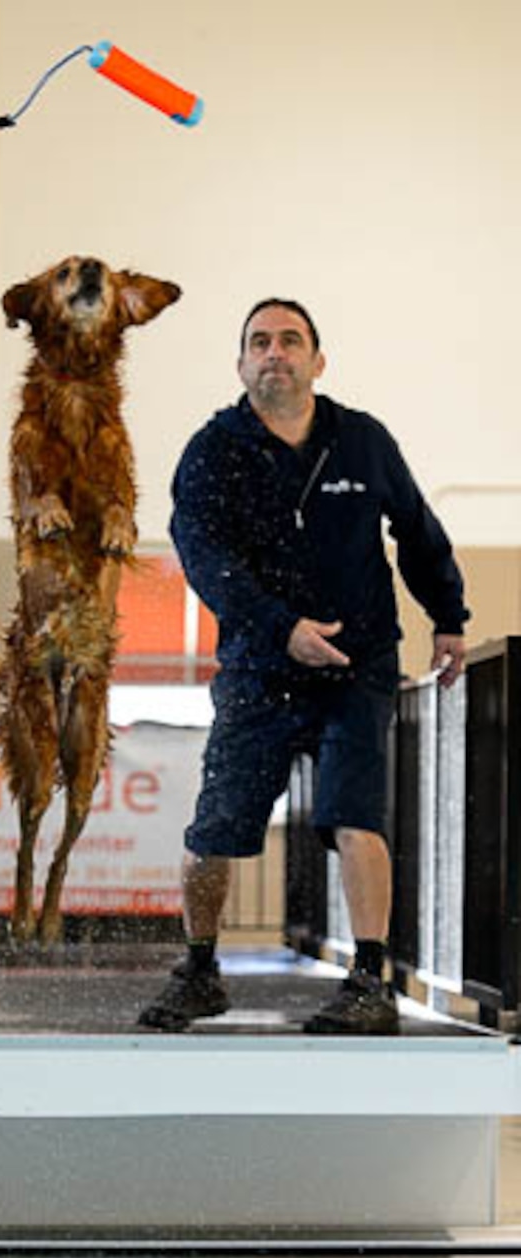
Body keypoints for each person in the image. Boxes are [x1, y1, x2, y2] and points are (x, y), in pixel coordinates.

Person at [137, 298, 468, 1034]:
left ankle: (369, 983)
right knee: (214, 828)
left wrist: (448, 616)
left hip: (357, 664)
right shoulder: (213, 451)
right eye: (259, 342)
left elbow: (417, 530)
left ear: (318, 361)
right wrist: (280, 629)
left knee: (356, 816)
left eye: (290, 341)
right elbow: (205, 560)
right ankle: (199, 971)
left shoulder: (362, 441)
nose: (274, 353)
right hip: (259, 670)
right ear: (241, 364)